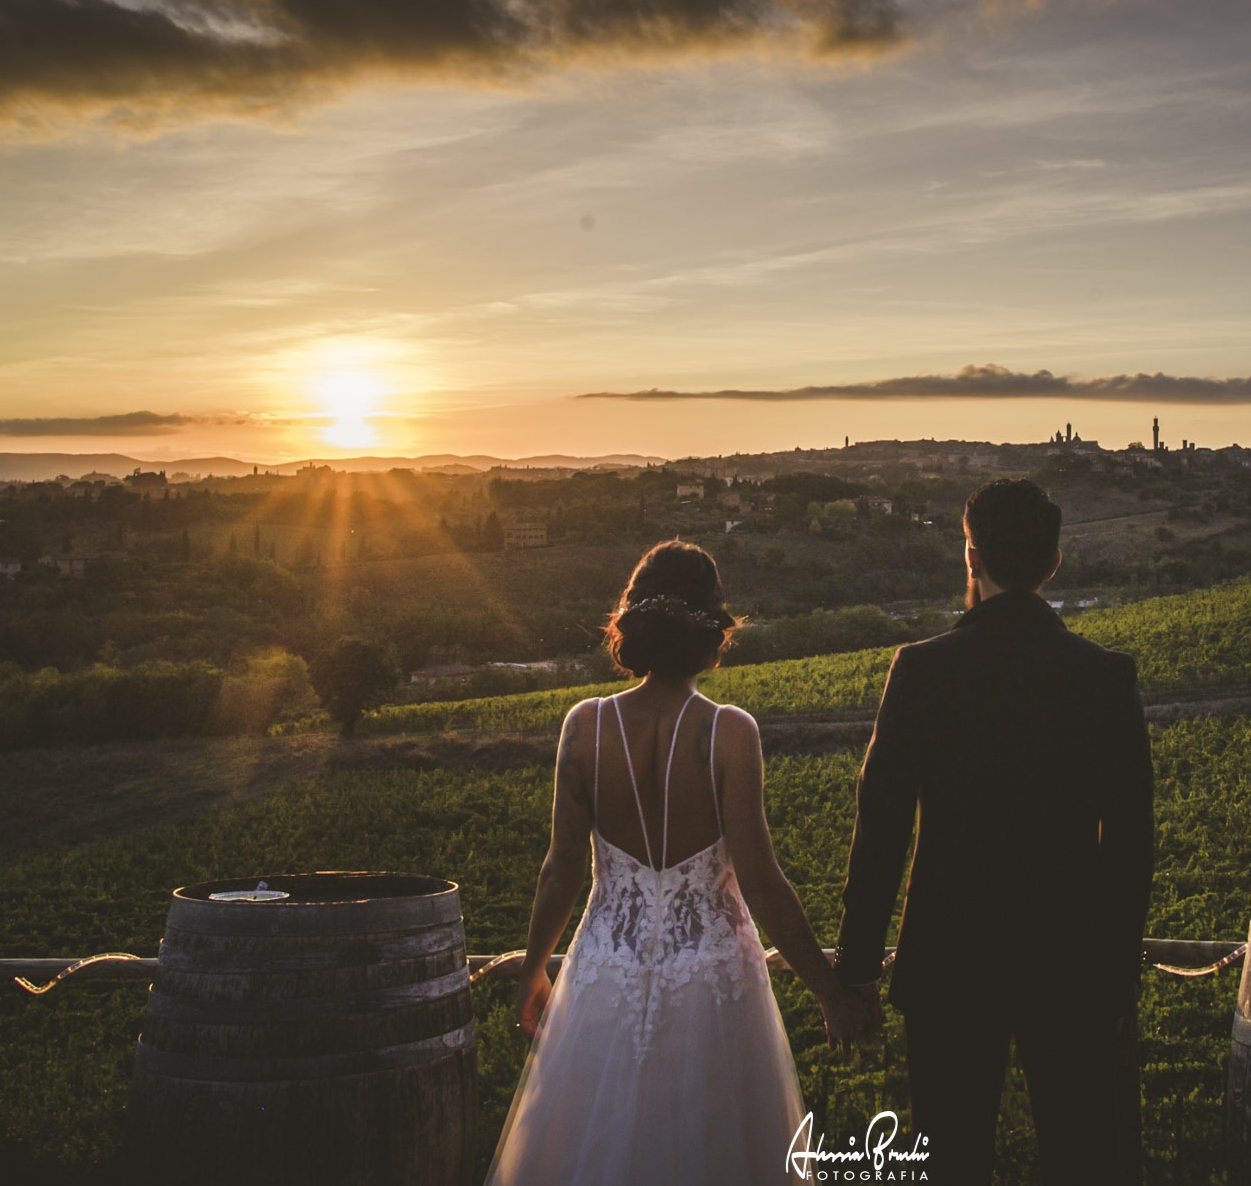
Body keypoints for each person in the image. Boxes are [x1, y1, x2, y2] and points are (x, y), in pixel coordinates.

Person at [488, 539, 877, 1186]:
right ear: (713, 628)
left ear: (631, 624)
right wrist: (830, 992)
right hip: (714, 983)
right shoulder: (730, 733)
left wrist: (533, 968)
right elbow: (762, 881)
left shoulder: (583, 727)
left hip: (604, 979)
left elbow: (560, 870)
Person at [835, 479, 1155, 1185]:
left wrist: (856, 971)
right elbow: (1132, 842)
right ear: (1054, 562)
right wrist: (1117, 975)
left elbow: (881, 823)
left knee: (951, 1161)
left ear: (971, 557)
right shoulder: (1105, 676)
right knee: (1084, 1160)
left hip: (949, 962)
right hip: (1073, 967)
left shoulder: (921, 670)